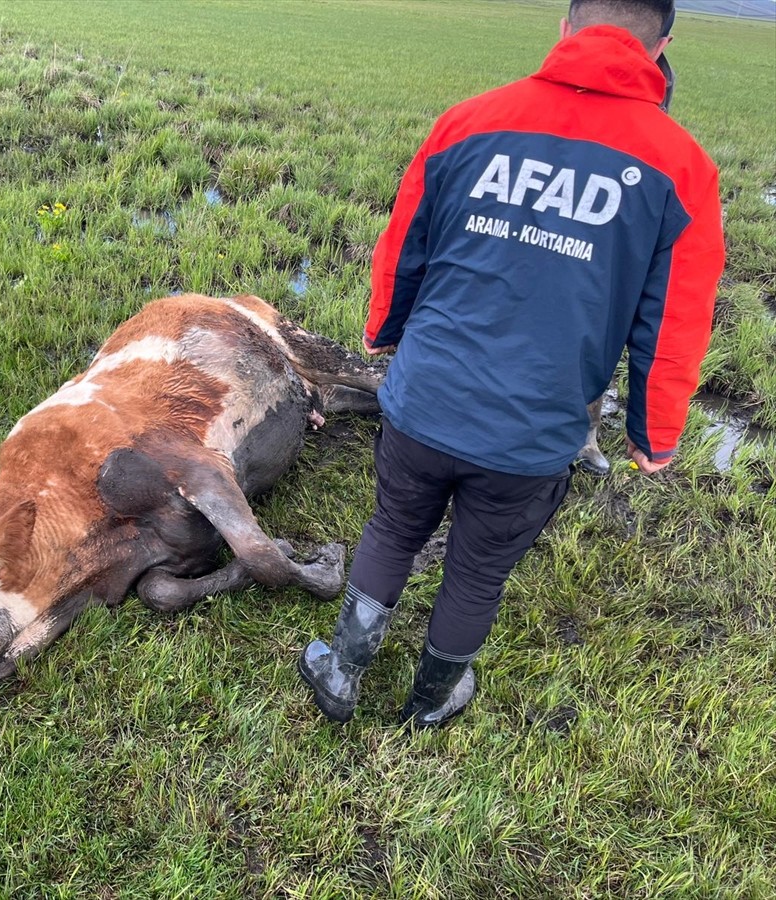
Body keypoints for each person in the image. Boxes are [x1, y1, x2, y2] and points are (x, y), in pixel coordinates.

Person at [299, 0, 725, 728]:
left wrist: (383, 331)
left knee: (393, 528)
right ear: (662, 47)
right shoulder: (681, 168)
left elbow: (404, 246)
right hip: (532, 434)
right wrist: (653, 436)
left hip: (424, 401)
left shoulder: (469, 121)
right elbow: (675, 321)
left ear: (565, 30)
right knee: (478, 569)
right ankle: (433, 699)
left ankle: (341, 672)